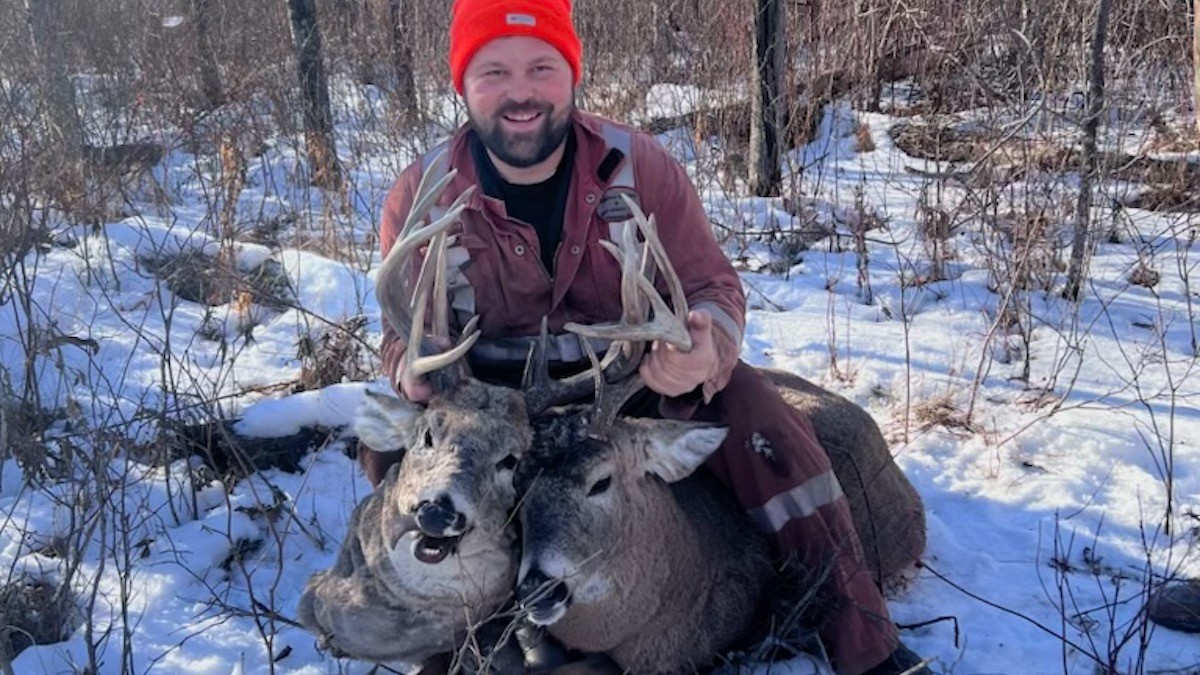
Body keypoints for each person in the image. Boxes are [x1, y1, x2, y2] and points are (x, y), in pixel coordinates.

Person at [360, 1, 929, 673]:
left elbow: (714, 288)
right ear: (462, 83)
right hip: (492, 415)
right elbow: (401, 332)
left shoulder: (640, 169)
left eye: (542, 67)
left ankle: (859, 634)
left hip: (622, 401)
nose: (520, 92)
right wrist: (409, 367)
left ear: (572, 75)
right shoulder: (422, 194)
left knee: (757, 414)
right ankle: (453, 635)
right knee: (383, 446)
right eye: (494, 72)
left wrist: (703, 344)